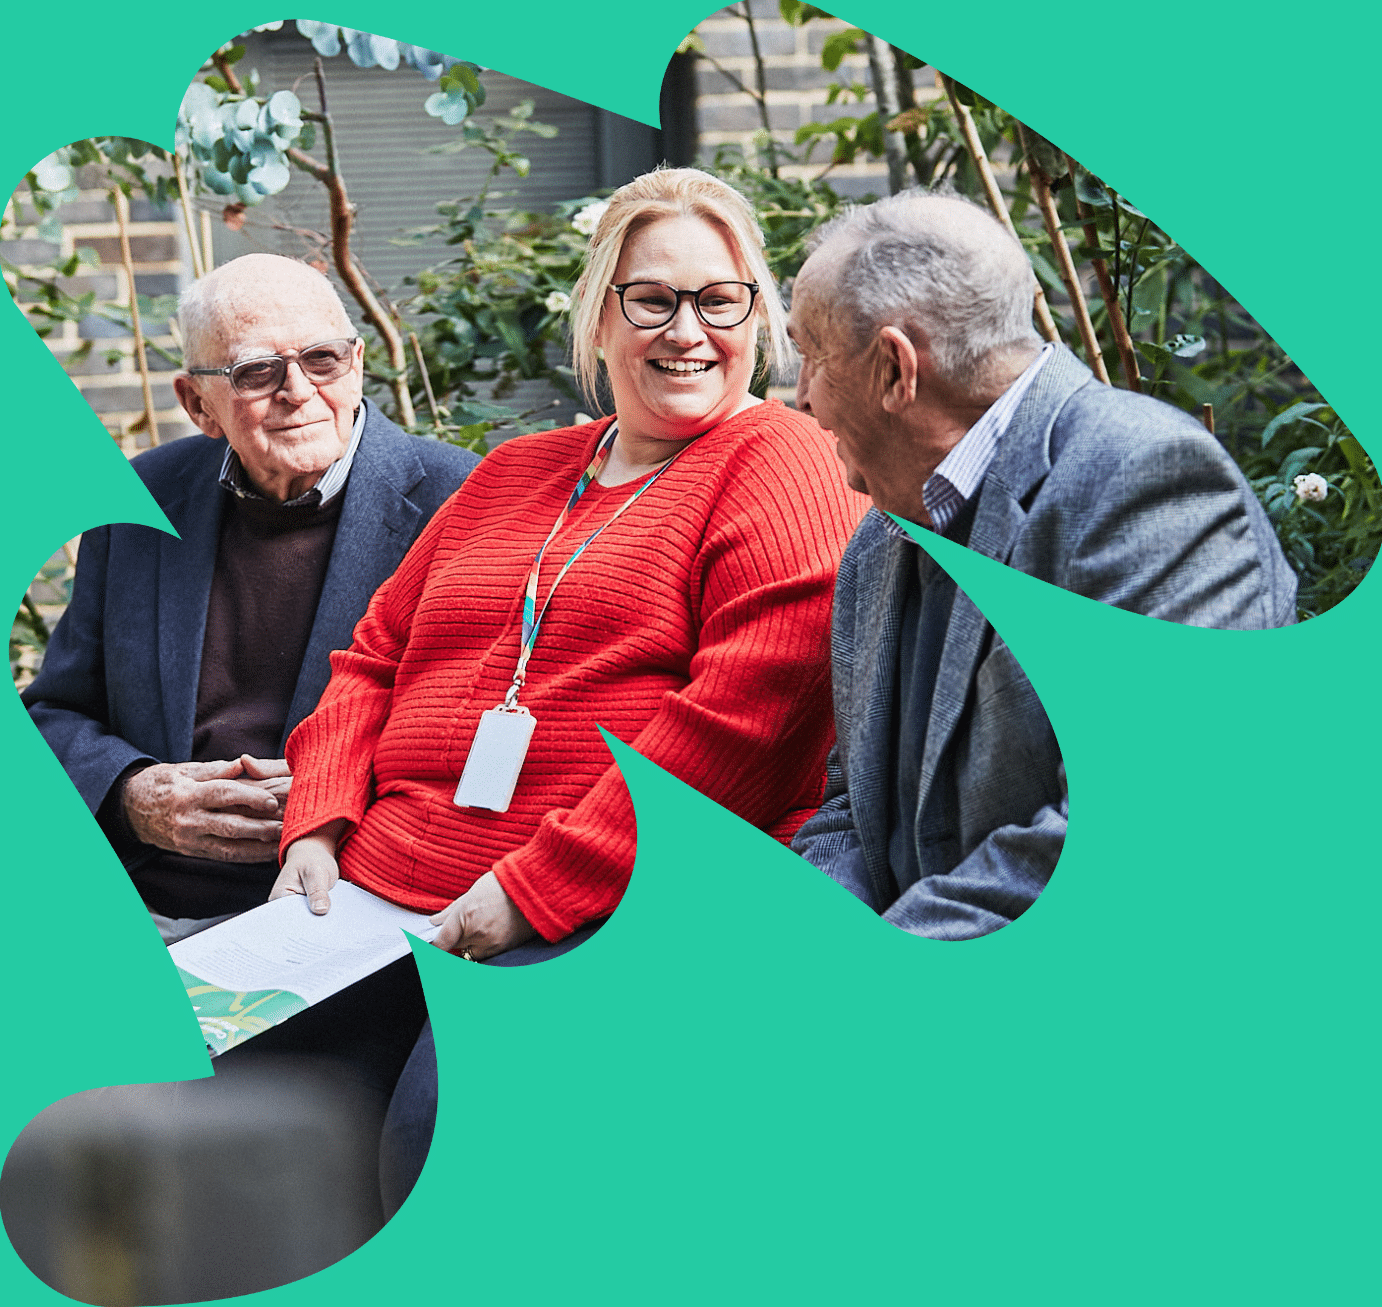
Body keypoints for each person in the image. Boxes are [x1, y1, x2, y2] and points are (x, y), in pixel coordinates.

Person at [271, 167, 868, 1211]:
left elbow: (743, 724)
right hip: (370, 895)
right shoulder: (516, 471)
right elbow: (372, 656)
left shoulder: (779, 461)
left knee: (438, 1143)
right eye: (652, 299)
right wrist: (315, 824)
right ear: (598, 316)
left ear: (759, 318)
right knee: (193, 1095)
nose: (687, 330)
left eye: (719, 299)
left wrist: (533, 890)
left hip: (591, 909)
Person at [788, 191, 1298, 941]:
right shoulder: (880, 537)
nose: (802, 397)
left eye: (812, 356)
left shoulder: (1145, 479)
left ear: (896, 369)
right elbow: (852, 808)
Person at [24, 253, 478, 934]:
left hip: (354, 909)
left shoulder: (462, 500)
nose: (297, 390)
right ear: (197, 404)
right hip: (144, 905)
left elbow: (483, 738)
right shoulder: (142, 500)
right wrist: (131, 792)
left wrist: (339, 793)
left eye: (322, 359)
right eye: (256, 372)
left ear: (356, 365)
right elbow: (53, 713)